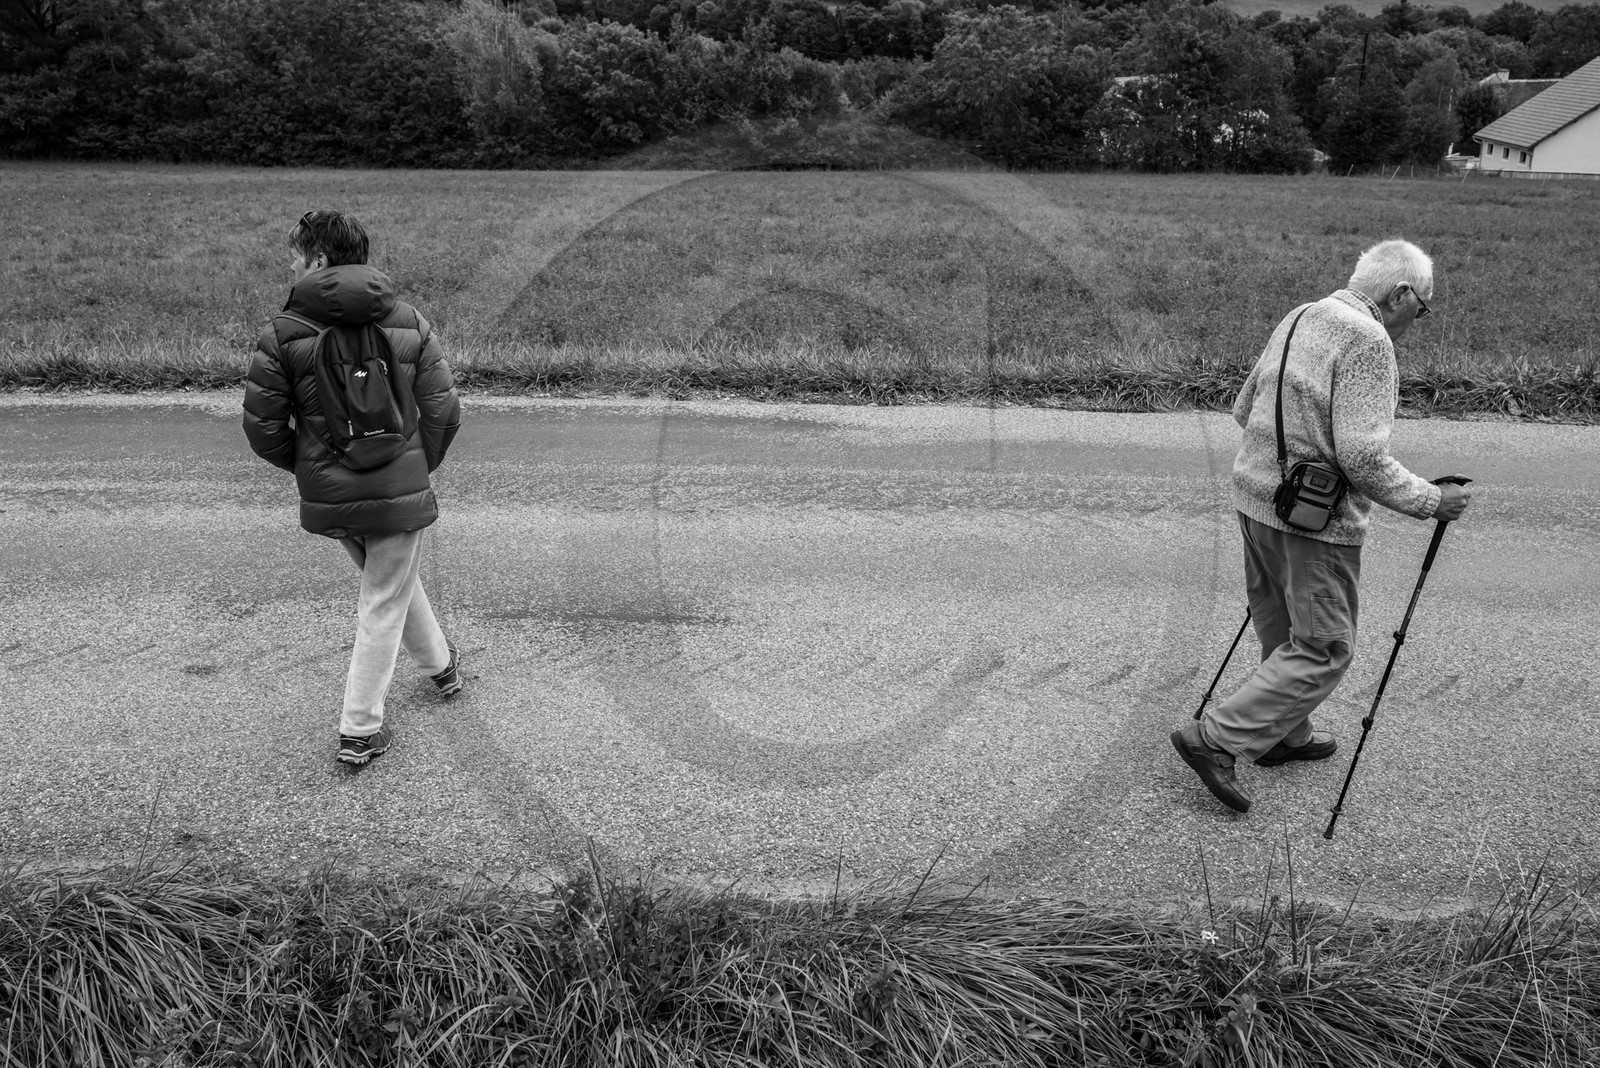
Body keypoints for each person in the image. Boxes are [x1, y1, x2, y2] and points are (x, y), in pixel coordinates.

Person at [1171, 239, 1471, 813]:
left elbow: (1242, 409)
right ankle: (1214, 739)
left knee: (1281, 629)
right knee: (1324, 646)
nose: (1419, 319)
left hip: (1254, 498)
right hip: (1313, 520)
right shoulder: (1369, 339)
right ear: (1401, 294)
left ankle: (1287, 733)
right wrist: (1431, 501)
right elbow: (1361, 458)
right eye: (1423, 307)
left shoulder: (1303, 314)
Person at [243, 209, 463, 766]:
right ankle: (360, 730)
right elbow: (443, 410)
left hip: (331, 487)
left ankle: (442, 669)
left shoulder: (283, 333)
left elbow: (263, 427)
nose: (291, 266)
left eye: (295, 256)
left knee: (386, 583)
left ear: (317, 260)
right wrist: (415, 465)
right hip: (399, 481)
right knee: (385, 591)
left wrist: (309, 470)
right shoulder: (408, 320)